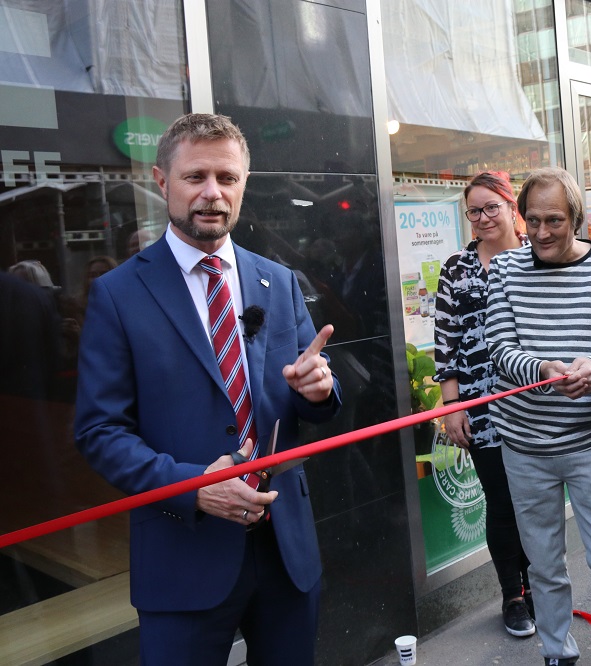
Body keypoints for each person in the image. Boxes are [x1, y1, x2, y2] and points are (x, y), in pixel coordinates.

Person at [75, 113, 342, 665]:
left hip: (285, 552)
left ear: (245, 183)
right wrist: (194, 485)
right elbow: (99, 431)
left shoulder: (277, 279)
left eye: (228, 178)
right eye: (196, 177)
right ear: (161, 181)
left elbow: (305, 403)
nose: (212, 193)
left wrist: (317, 391)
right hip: (182, 556)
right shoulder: (118, 295)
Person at [486, 167, 591, 666]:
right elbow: (498, 348)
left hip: (590, 443)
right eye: (532, 220)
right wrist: (543, 369)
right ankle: (558, 651)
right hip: (523, 446)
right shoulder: (506, 270)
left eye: (554, 219)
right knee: (545, 565)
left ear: (575, 217)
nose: (542, 232)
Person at [433, 171, 534, 638]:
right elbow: (446, 342)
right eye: (474, 210)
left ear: (512, 207)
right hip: (482, 407)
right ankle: (512, 594)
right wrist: (451, 406)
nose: (483, 217)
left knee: (536, 499)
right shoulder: (457, 268)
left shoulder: (539, 256)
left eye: (491, 206)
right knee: (502, 500)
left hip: (537, 404)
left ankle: (540, 586)